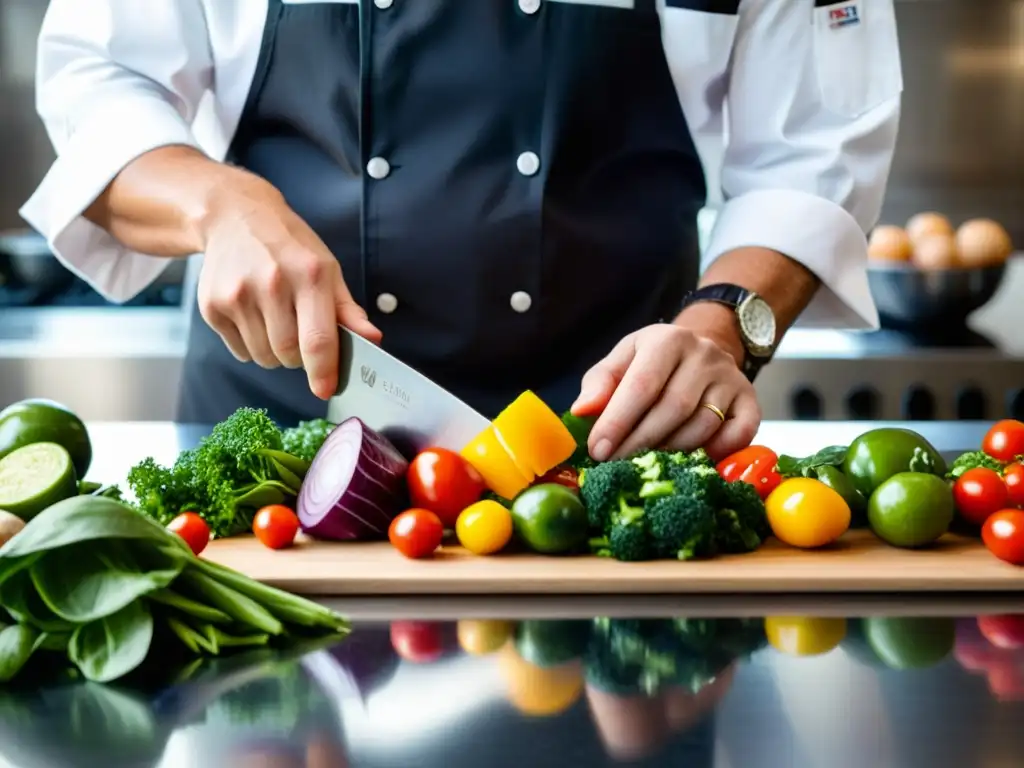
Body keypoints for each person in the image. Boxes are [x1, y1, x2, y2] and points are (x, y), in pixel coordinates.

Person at [22, 0, 901, 462]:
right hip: (280, 455)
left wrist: (721, 327)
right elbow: (98, 80)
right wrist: (222, 204)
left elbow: (812, 147)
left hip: (616, 441)